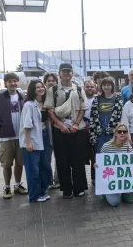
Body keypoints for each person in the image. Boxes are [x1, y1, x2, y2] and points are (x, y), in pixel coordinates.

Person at [44, 63, 89, 199]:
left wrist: (75, 124)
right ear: (59, 73)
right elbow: (50, 110)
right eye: (63, 71)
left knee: (78, 160)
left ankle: (79, 188)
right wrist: (61, 125)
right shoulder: (53, 90)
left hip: (77, 129)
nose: (66, 73)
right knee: (62, 161)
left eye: (68, 71)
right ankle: (66, 189)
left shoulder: (79, 89)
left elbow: (83, 108)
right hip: (60, 130)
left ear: (72, 73)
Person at [0, 72, 29, 199]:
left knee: (20, 163)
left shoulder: (22, 98)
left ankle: (17, 185)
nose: (13, 83)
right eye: (10, 81)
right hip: (6, 137)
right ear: (6, 83)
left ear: (18, 83)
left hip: (21, 137)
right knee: (7, 164)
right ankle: (7, 186)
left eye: (15, 81)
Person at [19, 80, 52, 202]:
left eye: (41, 86)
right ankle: (34, 195)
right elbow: (26, 125)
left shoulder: (46, 103)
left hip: (45, 137)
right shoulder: (29, 105)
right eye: (37, 87)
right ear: (32, 90)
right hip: (33, 138)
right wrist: (28, 142)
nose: (40, 89)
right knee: (33, 169)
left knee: (45, 166)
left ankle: (43, 191)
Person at [95, 123, 133, 206]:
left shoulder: (128, 147)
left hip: (123, 178)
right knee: (115, 203)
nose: (122, 133)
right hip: (110, 180)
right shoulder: (106, 146)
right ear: (115, 133)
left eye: (125, 131)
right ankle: (105, 193)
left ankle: (125, 192)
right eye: (120, 132)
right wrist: (97, 165)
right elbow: (101, 162)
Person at [89, 78, 124, 154]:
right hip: (99, 132)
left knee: (113, 154)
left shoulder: (117, 99)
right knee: (100, 154)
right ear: (101, 86)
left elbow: (120, 117)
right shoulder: (97, 99)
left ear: (112, 86)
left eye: (108, 85)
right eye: (104, 85)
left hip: (113, 132)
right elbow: (92, 117)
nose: (106, 87)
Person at [43, 73, 60, 190]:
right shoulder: (41, 95)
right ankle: (48, 181)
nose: (51, 82)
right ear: (45, 83)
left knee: (59, 156)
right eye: (48, 81)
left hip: (58, 128)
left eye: (53, 80)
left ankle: (58, 180)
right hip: (45, 130)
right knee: (46, 158)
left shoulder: (60, 95)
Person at [83, 80, 97, 184]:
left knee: (95, 154)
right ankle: (82, 180)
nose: (89, 88)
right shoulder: (80, 99)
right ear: (84, 88)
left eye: (91, 87)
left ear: (95, 88)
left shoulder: (98, 99)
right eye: (87, 87)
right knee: (82, 155)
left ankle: (95, 177)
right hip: (82, 128)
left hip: (95, 128)